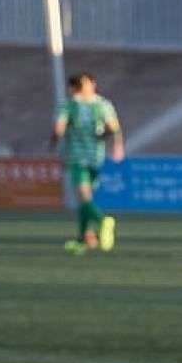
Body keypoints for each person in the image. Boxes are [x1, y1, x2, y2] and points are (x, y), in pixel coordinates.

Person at [51, 72, 124, 255]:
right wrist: (116, 146)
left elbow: (59, 128)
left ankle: (103, 221)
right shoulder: (103, 104)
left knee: (83, 197)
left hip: (79, 157)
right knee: (85, 198)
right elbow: (114, 128)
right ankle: (85, 238)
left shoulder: (68, 105)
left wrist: (53, 142)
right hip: (95, 157)